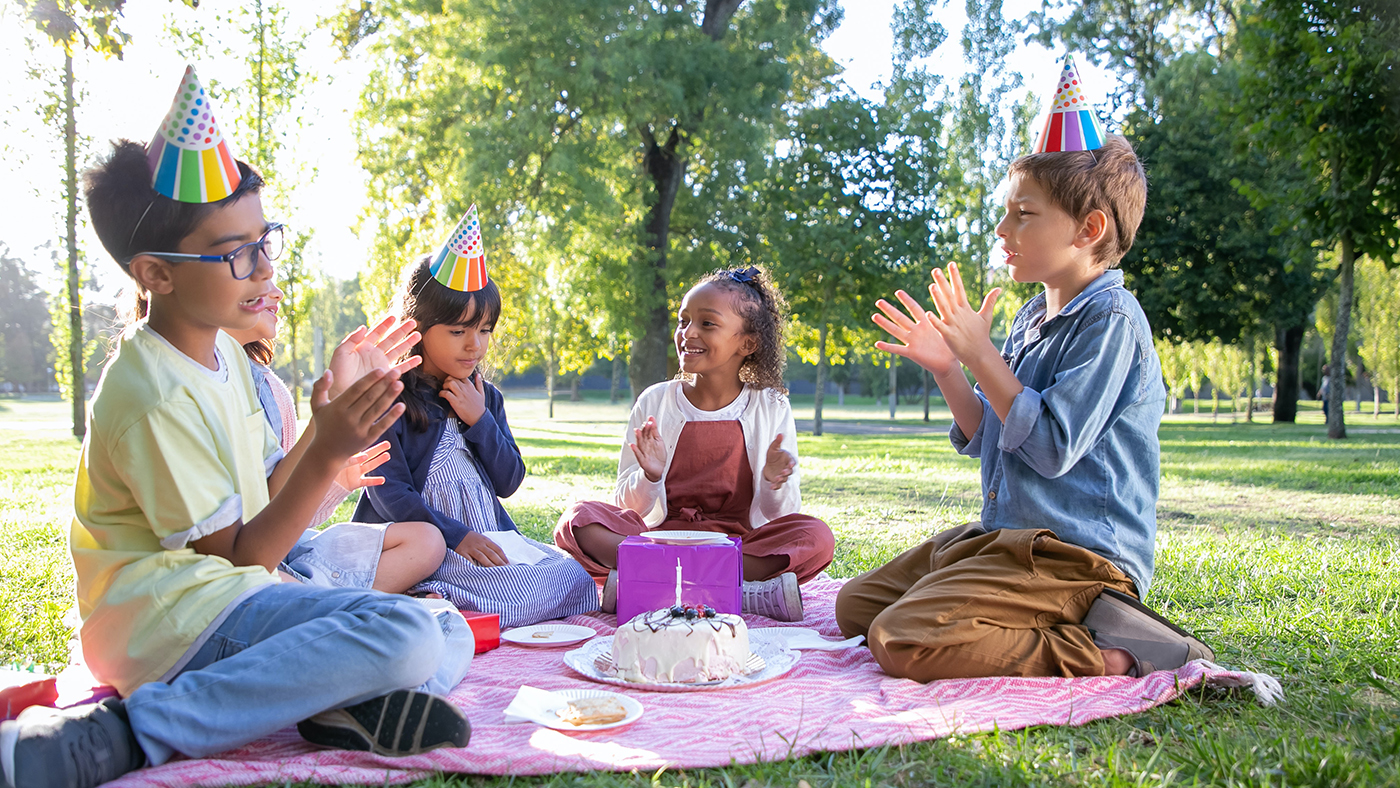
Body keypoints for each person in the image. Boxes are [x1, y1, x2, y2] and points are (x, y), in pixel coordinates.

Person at [1, 70, 472, 788]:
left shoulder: (223, 351)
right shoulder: (150, 389)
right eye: (236, 253)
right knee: (405, 633)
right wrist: (329, 448)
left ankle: (330, 703)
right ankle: (131, 734)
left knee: (443, 626)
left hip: (227, 600)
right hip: (165, 625)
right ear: (156, 274)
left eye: (265, 241)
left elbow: (261, 501)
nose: (263, 269)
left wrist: (322, 429)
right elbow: (242, 557)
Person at [837, 63, 1213, 683]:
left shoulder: (1112, 321)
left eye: (1023, 214)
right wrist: (950, 369)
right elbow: (993, 434)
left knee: (900, 639)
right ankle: (1038, 616)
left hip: (1076, 557)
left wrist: (982, 356)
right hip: (1006, 537)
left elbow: (1050, 444)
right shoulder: (1032, 316)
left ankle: (1114, 650)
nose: (1002, 229)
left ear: (1089, 229)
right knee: (857, 606)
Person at [350, 212, 599, 628]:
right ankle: (428, 595)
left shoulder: (487, 398)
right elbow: (389, 493)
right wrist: (457, 537)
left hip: (491, 541)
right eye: (458, 331)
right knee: (511, 600)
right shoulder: (389, 399)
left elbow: (509, 480)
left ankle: (454, 603)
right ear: (418, 328)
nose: (475, 345)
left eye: (484, 330)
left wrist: (479, 419)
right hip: (430, 543)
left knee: (574, 579)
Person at [554, 266, 835, 623]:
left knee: (816, 536)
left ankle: (650, 582)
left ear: (747, 343)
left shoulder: (770, 406)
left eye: (707, 323)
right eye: (683, 321)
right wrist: (650, 476)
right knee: (577, 519)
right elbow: (627, 506)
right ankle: (735, 589)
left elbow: (783, 513)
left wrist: (772, 482)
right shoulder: (655, 401)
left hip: (736, 545)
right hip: (659, 538)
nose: (688, 333)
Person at [223, 286, 447, 592]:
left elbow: (279, 506)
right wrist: (323, 459)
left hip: (285, 552)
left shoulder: (271, 392)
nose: (276, 292)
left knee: (428, 541)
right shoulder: (183, 388)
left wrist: (334, 479)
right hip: (239, 566)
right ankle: (333, 604)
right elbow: (237, 555)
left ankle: (325, 600)